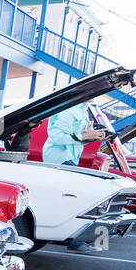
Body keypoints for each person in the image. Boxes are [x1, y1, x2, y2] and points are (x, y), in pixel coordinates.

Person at [41, 104, 113, 254]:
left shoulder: (83, 110)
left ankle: (68, 238)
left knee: (65, 200)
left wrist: (94, 137)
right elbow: (57, 137)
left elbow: (75, 138)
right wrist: (85, 136)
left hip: (70, 158)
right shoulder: (68, 110)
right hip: (60, 158)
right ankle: (75, 242)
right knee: (73, 199)